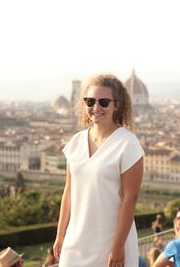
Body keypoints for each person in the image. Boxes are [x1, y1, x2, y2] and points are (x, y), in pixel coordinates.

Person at [53, 74, 145, 267]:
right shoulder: (76, 142)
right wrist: (60, 234)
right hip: (76, 242)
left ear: (117, 105)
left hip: (110, 243)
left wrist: (118, 246)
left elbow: (130, 199)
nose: (96, 108)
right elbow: (68, 192)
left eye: (103, 102)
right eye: (90, 101)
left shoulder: (128, 144)